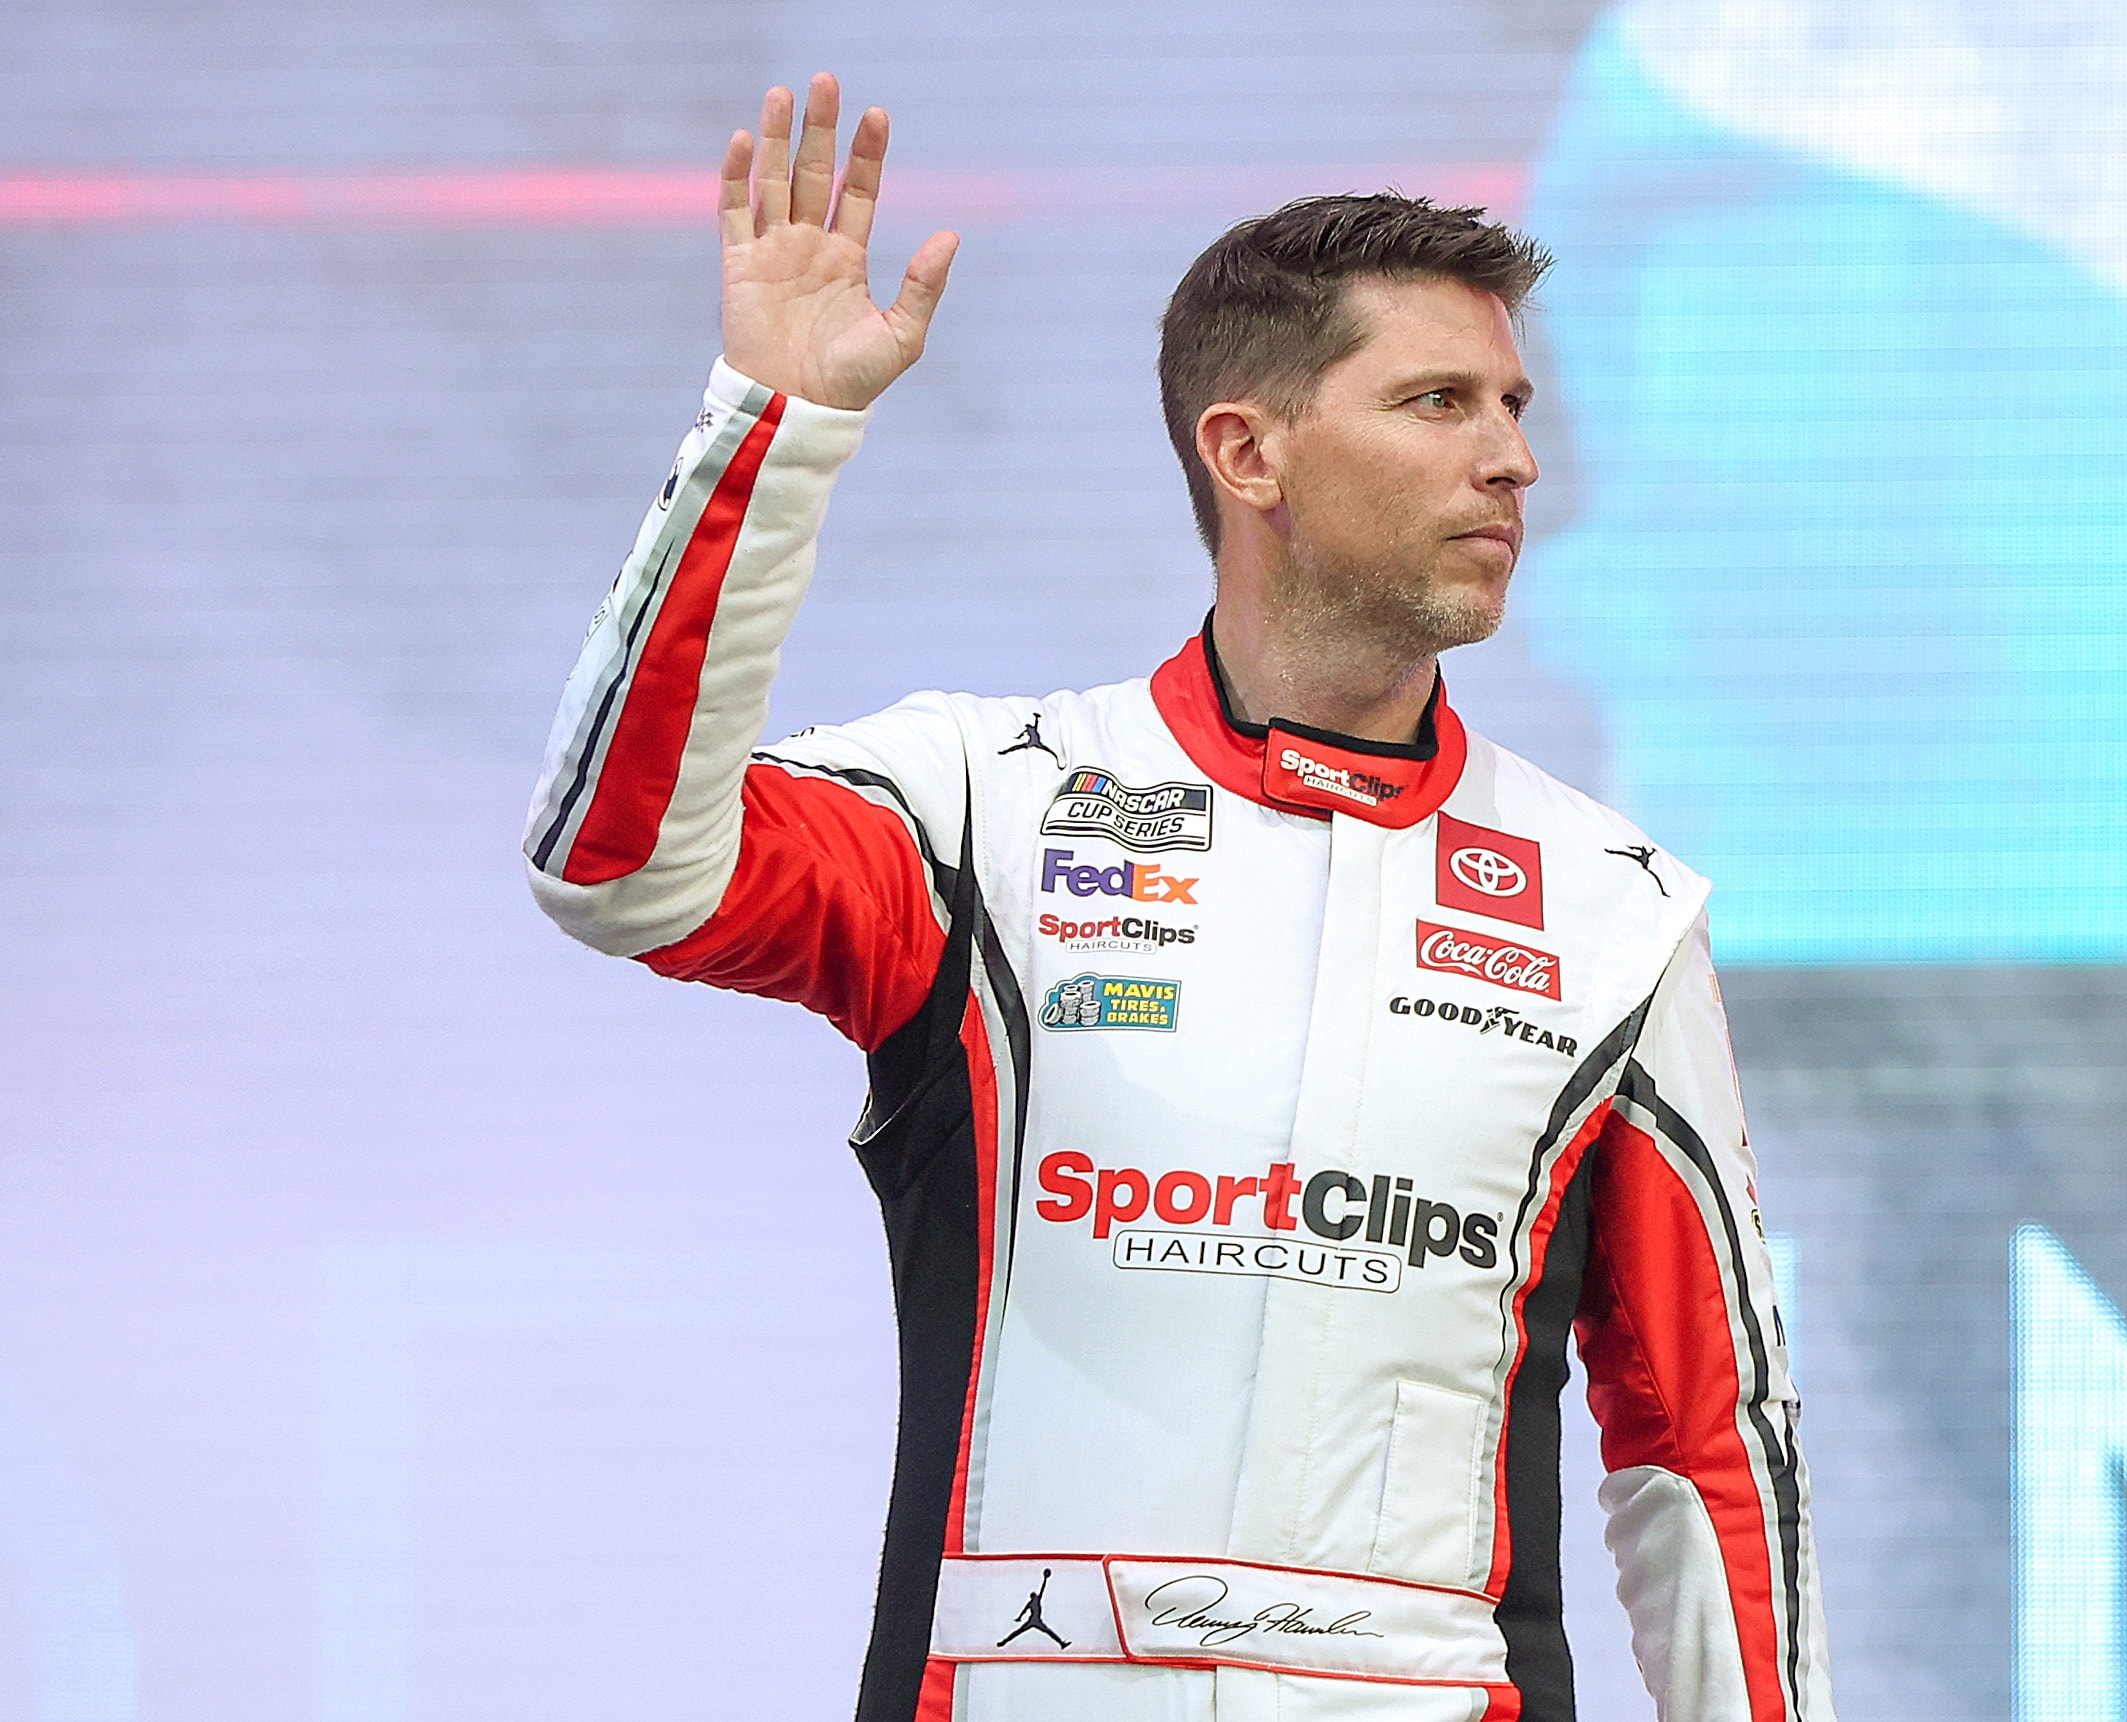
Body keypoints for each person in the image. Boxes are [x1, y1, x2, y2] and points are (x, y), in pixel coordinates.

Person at [525, 72, 1832, 1722]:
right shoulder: (980, 806)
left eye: (1515, 405)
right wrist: (774, 436)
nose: (1514, 459)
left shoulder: (1618, 912)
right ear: (1249, 449)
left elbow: (1706, 1448)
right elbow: (620, 863)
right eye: (1441, 402)